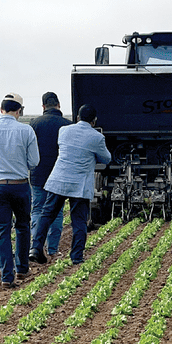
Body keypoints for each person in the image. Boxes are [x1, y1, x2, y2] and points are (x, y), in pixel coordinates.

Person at [30, 104, 111, 266]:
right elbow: (106, 159)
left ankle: (36, 248)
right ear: (94, 121)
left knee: (46, 214)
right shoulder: (96, 137)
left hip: (58, 179)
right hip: (79, 185)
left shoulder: (64, 131)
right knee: (79, 221)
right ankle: (76, 256)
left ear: (77, 118)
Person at [0, 93, 39, 288]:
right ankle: (21, 268)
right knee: (22, 226)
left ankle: (6, 276)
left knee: (2, 230)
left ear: (1, 110)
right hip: (20, 185)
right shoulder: (26, 130)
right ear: (19, 110)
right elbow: (34, 162)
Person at [29, 91, 70, 256]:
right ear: (59, 105)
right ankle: (53, 249)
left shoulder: (34, 124)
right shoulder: (67, 125)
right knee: (57, 211)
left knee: (38, 209)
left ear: (43, 106)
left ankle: (36, 247)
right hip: (59, 174)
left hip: (38, 173)